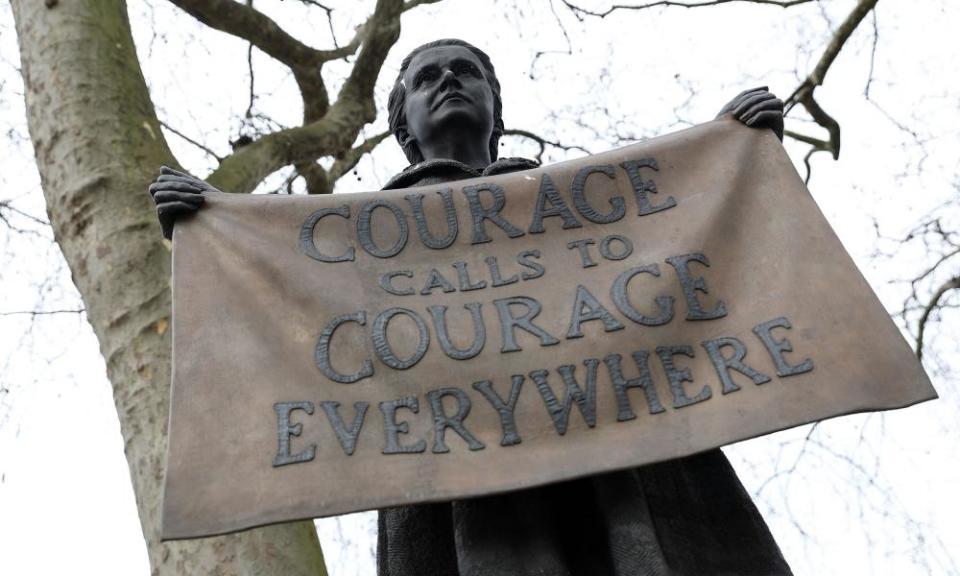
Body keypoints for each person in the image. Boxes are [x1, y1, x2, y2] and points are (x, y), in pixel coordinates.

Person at [150, 39, 791, 576]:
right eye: (427, 77)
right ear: (403, 125)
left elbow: (675, 246)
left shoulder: (588, 206)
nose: (449, 81)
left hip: (614, 451)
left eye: (466, 72)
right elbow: (292, 311)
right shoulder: (345, 241)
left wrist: (729, 149)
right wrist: (216, 227)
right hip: (458, 480)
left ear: (496, 107)